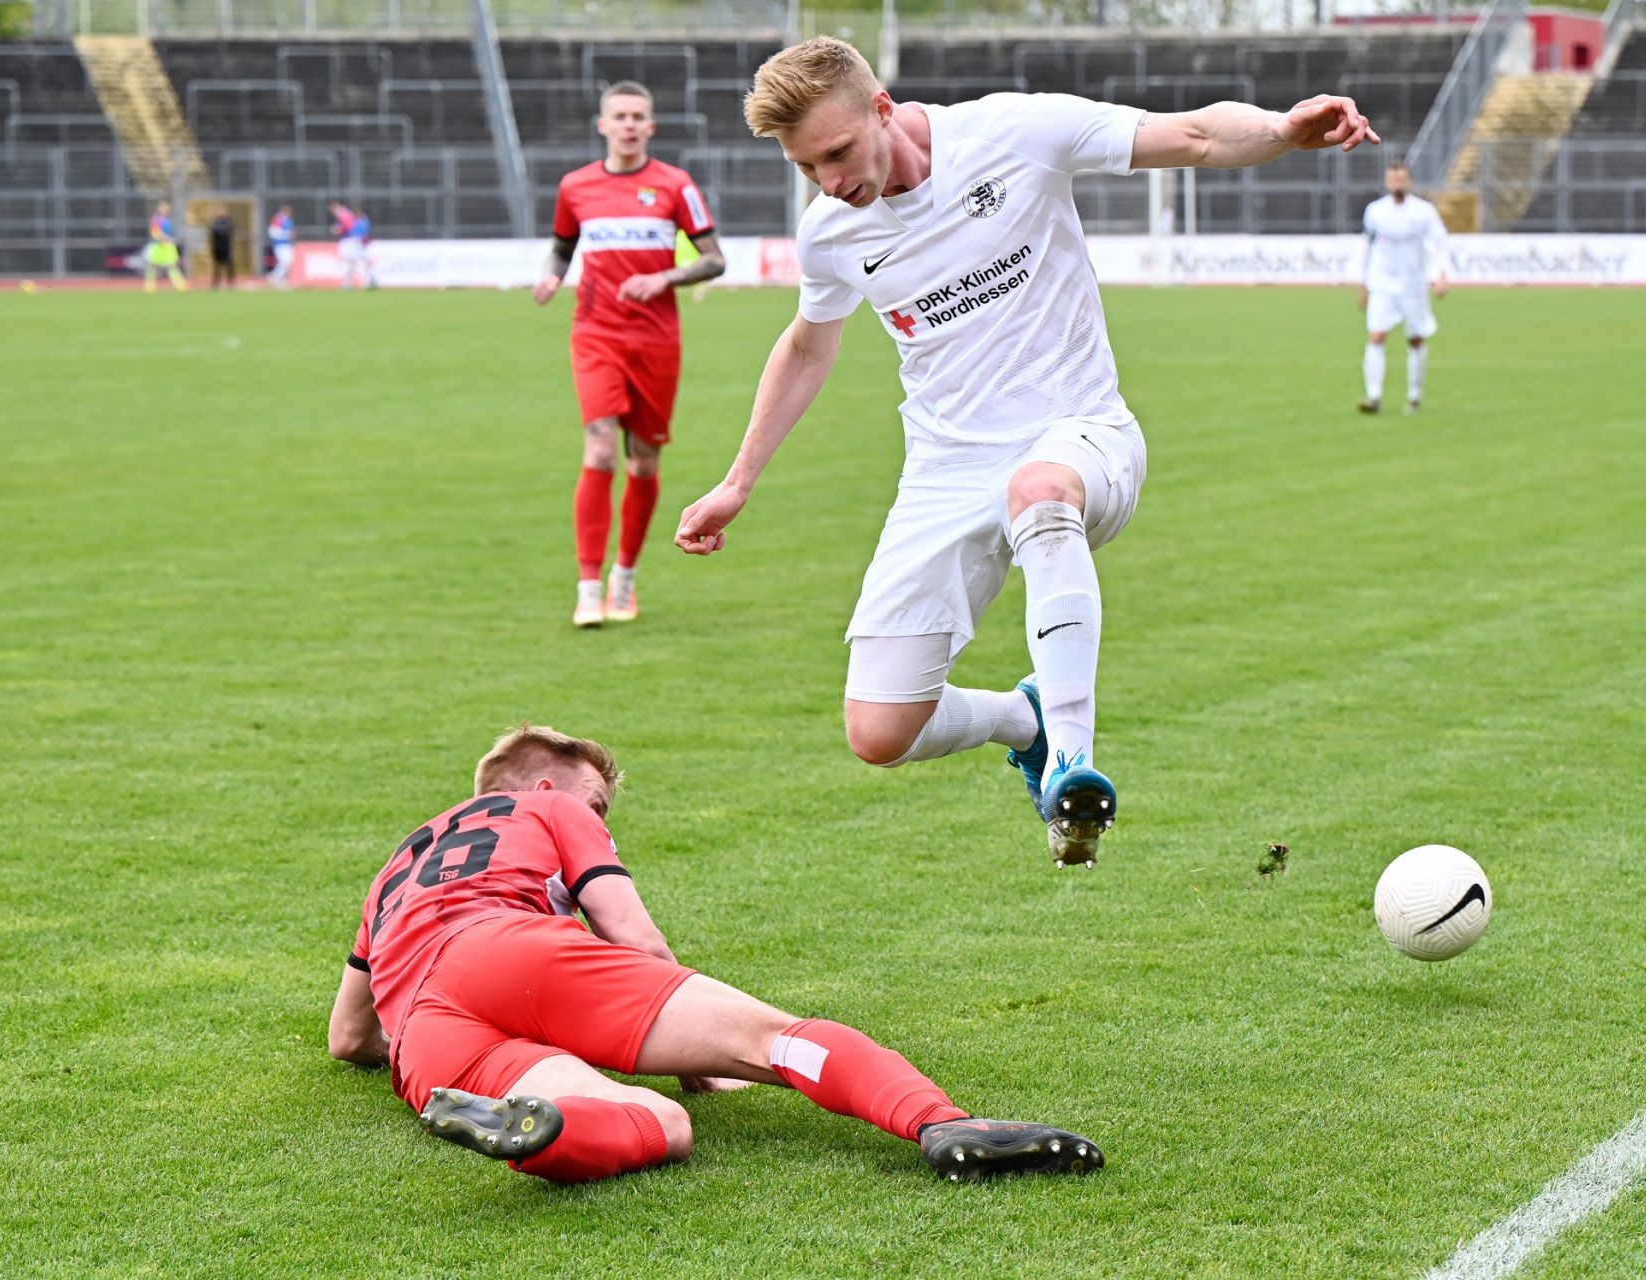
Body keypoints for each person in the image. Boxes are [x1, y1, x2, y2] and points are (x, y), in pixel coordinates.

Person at [674, 37, 1381, 867]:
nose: (829, 181)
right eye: (807, 167)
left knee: (1039, 490)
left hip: (1078, 433)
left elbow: (1188, 135)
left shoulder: (1014, 132)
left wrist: (1282, 129)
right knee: (879, 732)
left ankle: (1074, 766)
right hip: (944, 470)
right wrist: (737, 481)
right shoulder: (832, 232)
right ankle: (1027, 720)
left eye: (836, 152)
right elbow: (806, 347)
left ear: (882, 106)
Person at [329, 724, 1104, 1184]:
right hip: (511, 947)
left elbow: (350, 1039)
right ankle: (940, 1123)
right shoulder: (549, 806)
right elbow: (632, 934)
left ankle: (545, 1130)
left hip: (426, 1037)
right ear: (543, 784)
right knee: (770, 1040)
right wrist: (697, 1055)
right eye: (599, 804)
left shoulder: (393, 868)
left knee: (660, 1125)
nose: (601, 818)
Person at [534, 81, 726, 628]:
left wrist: (663, 276)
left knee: (643, 459)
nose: (628, 124)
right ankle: (588, 587)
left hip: (656, 341)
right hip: (595, 334)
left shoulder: (674, 185)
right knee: (599, 452)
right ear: (603, 125)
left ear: (650, 126)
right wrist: (551, 276)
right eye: (619, 115)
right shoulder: (576, 187)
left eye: (638, 116)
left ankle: (625, 578)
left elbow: (715, 260)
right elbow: (563, 246)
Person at [1357, 163, 1450, 415]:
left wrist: (1441, 275)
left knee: (1416, 339)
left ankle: (1414, 397)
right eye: (1393, 180)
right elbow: (1366, 247)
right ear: (1387, 182)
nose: (1397, 184)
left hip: (1414, 285)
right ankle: (1373, 396)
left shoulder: (1424, 211)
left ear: (1409, 182)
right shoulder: (1375, 211)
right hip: (1382, 284)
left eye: (1401, 180)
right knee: (1376, 336)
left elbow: (1439, 242)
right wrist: (1362, 284)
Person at [329, 201, 374, 290]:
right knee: (356, 262)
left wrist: (336, 230)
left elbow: (346, 227)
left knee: (349, 263)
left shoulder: (343, 215)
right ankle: (365, 282)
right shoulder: (349, 214)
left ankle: (350, 283)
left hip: (349, 241)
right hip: (356, 241)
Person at [144, 200, 186, 292]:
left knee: (172, 265)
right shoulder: (156, 219)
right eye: (163, 208)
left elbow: (171, 233)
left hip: (168, 246)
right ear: (159, 209)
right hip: (157, 245)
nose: (165, 210)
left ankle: (179, 284)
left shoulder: (169, 220)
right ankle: (149, 285)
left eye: (166, 208)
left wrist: (171, 241)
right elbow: (155, 233)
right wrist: (165, 239)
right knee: (153, 265)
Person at [266, 204, 295, 289]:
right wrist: (286, 234)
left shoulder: (289, 220)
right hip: (280, 244)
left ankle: (281, 280)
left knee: (288, 263)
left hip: (288, 244)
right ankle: (274, 277)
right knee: (284, 262)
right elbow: (272, 232)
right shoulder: (278, 219)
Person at [207, 204, 236, 290]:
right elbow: (212, 230)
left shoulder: (229, 222)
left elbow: (226, 230)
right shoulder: (215, 222)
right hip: (217, 248)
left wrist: (218, 230)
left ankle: (230, 283)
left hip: (227, 248)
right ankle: (216, 284)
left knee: (229, 267)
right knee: (216, 267)